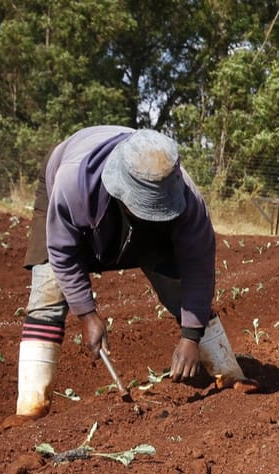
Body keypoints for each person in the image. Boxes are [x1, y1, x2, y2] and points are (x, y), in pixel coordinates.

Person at [14, 126, 249, 421]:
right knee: (48, 291)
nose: (148, 213)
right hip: (71, 185)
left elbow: (198, 269)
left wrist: (190, 337)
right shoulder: (72, 183)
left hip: (148, 222)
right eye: (143, 206)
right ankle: (30, 410)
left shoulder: (187, 200)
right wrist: (87, 314)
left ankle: (228, 375)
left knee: (178, 285)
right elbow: (63, 252)